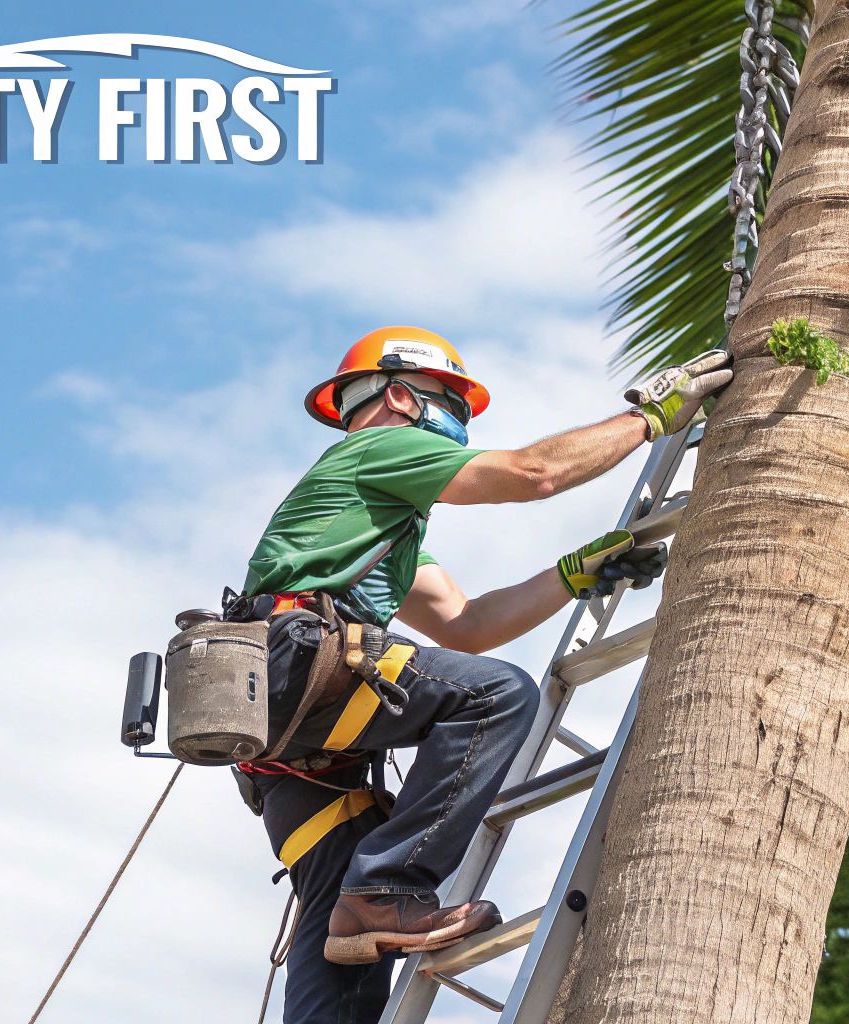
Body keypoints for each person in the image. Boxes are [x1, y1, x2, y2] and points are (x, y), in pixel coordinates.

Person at [232, 326, 731, 1023]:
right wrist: (647, 419)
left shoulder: (372, 529)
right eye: (453, 407)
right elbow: (535, 473)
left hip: (285, 744)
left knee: (347, 942)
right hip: (300, 666)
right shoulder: (378, 448)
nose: (460, 428)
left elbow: (468, 624)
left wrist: (571, 576)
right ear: (403, 397)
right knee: (495, 694)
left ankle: (373, 899)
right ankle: (390, 882)